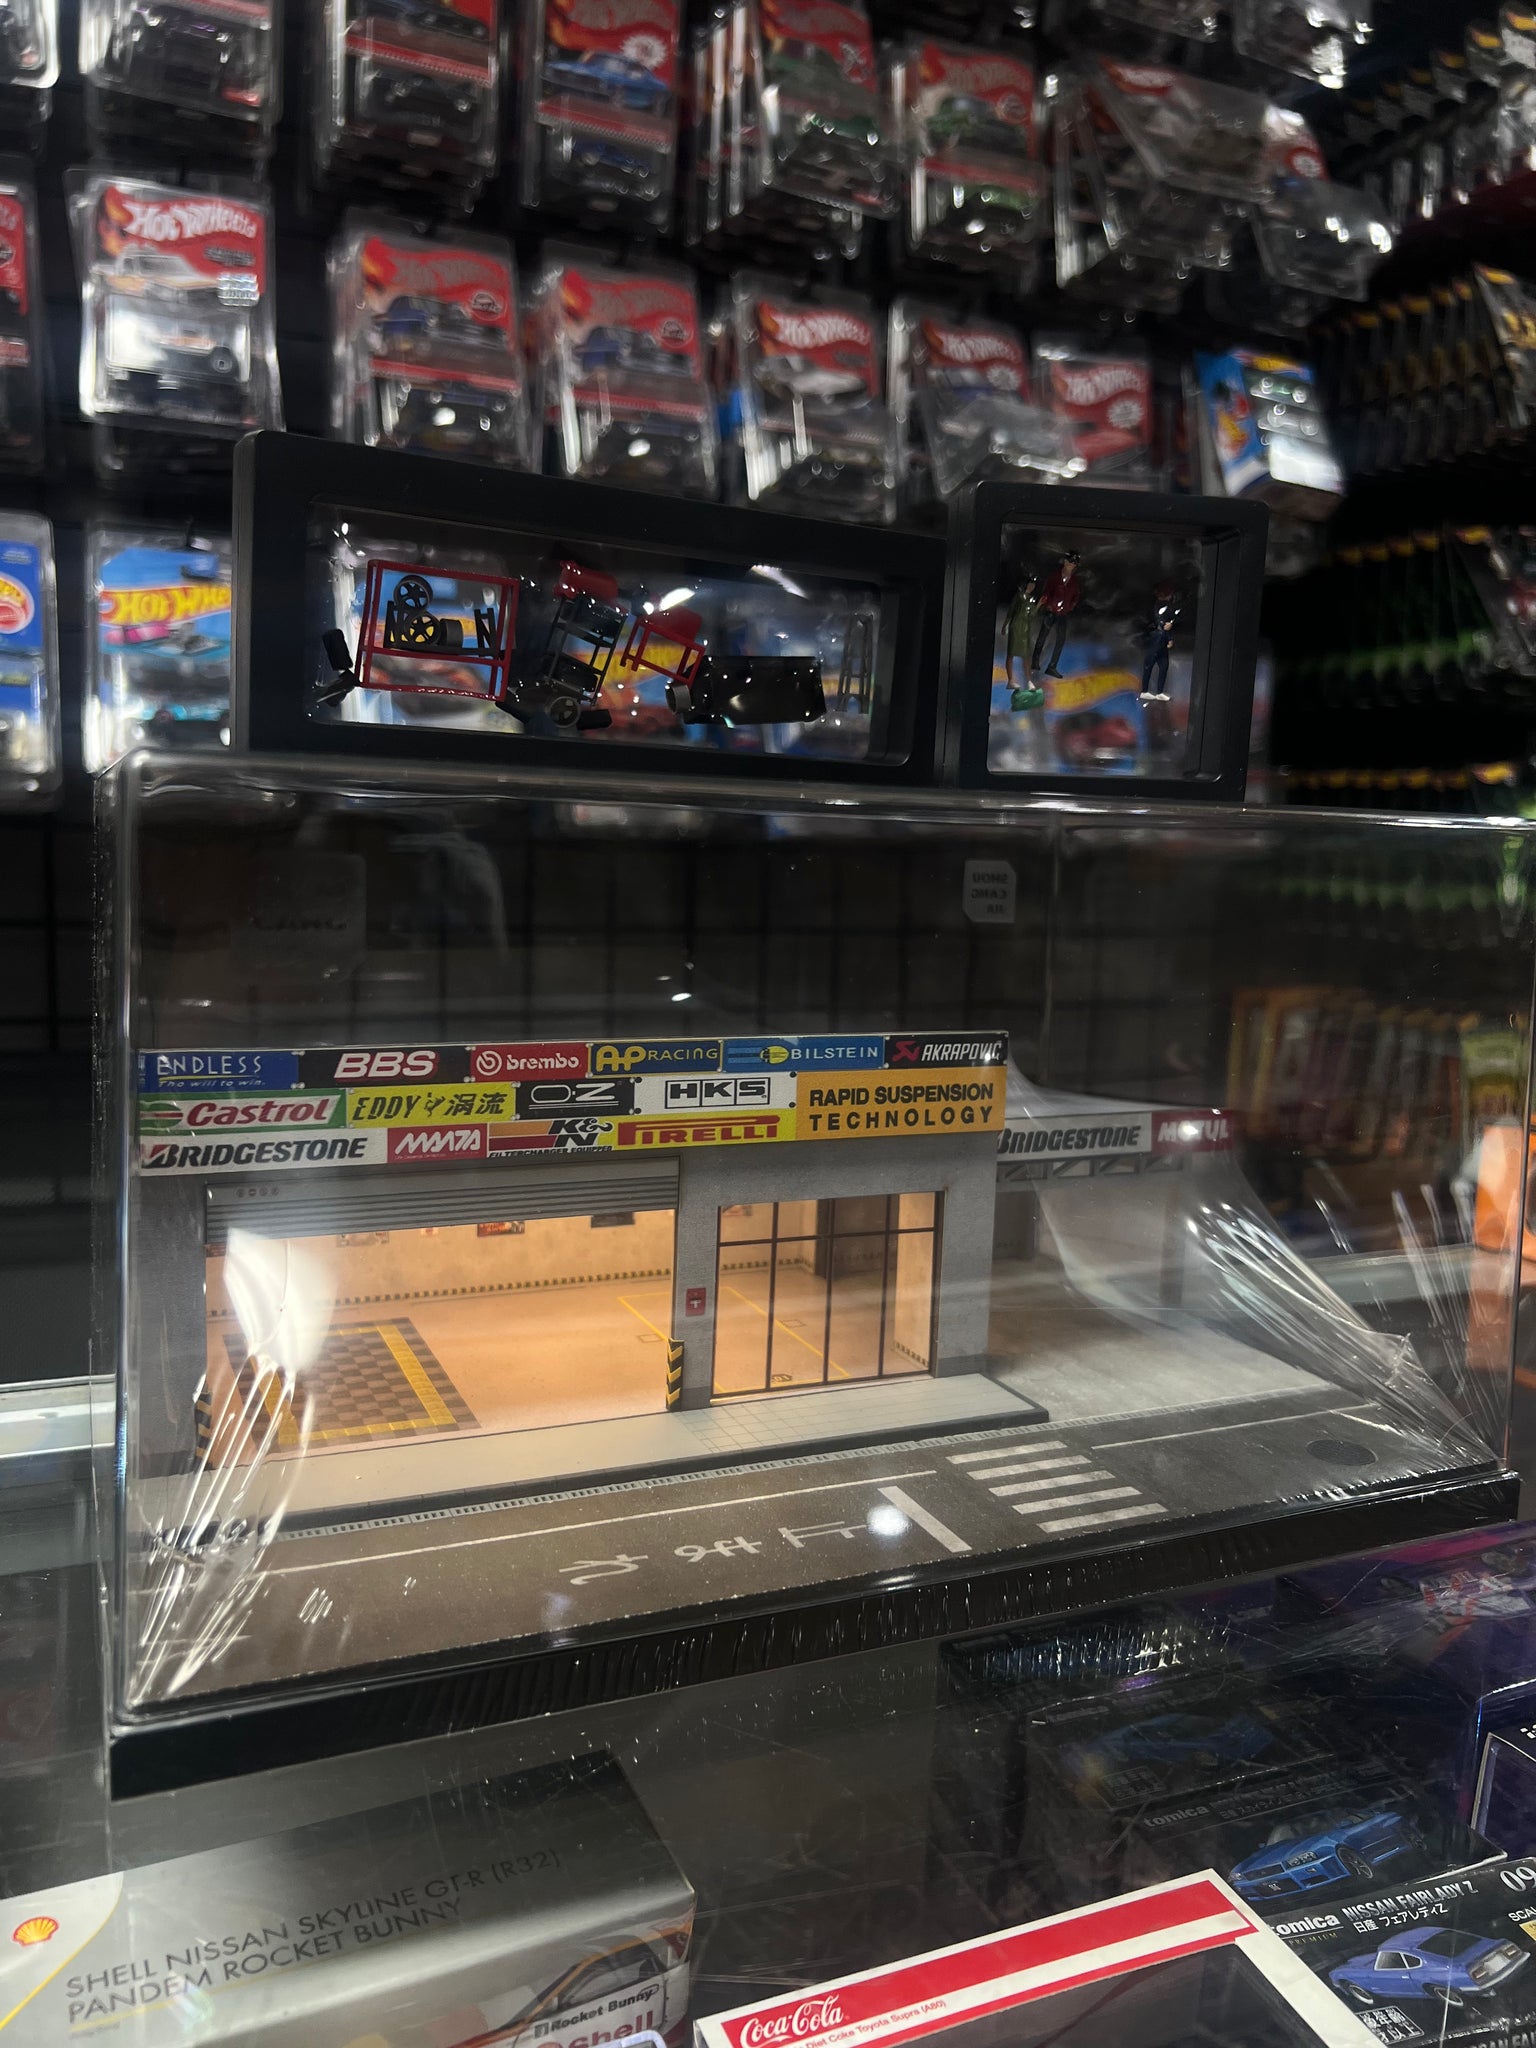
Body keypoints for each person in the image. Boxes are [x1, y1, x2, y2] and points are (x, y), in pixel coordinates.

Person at [1032, 550, 1082, 678]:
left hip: (1062, 613)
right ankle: (1035, 661)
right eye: (1069, 562)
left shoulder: (1074, 581)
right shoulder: (1055, 576)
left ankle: (1052, 666)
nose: (1071, 565)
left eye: (1073, 564)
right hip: (1051, 610)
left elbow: (1075, 596)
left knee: (1060, 639)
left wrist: (1069, 607)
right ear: (1065, 562)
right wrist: (1046, 603)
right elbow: (1047, 591)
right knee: (1043, 636)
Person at [1004, 569, 1044, 709]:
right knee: (1012, 653)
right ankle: (1011, 680)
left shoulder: (1031, 600)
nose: (1031, 587)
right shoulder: (1019, 597)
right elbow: (1011, 611)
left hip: (1025, 629)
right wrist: (1006, 625)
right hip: (1016, 627)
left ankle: (1028, 680)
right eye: (1030, 584)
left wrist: (1039, 604)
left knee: (1025, 655)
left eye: (1033, 585)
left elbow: (1032, 614)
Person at [1141, 591, 1179, 702]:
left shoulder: (1167, 607)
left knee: (1163, 666)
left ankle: (1159, 692)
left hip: (1161, 641)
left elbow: (1167, 625)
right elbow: (1157, 622)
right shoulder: (1154, 607)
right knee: (1149, 666)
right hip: (1155, 640)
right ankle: (1145, 691)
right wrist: (1164, 627)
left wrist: (1170, 638)